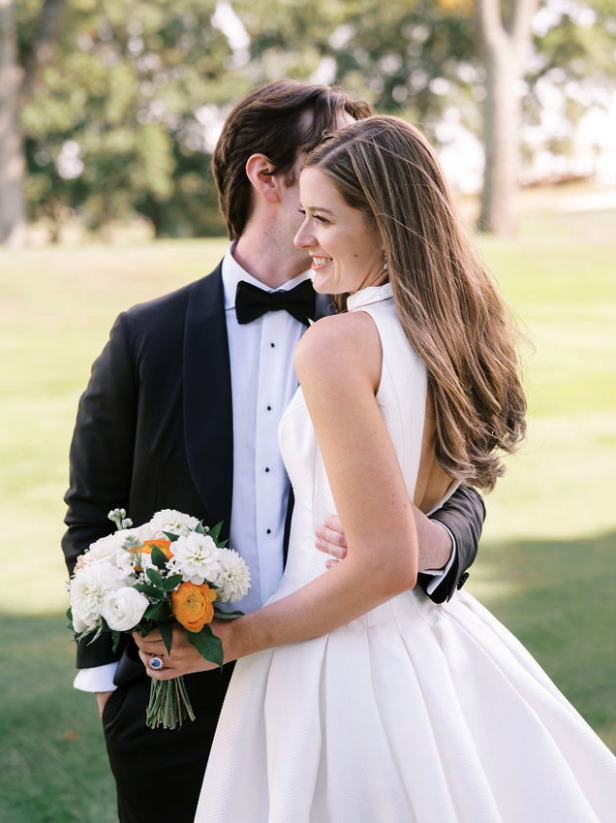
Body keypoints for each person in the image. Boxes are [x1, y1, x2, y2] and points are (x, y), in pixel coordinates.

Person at [137, 115, 616, 822]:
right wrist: (424, 537)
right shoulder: (447, 331)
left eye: (323, 220)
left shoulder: (336, 345)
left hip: (335, 656)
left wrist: (231, 639)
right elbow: (419, 522)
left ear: (386, 225)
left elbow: (385, 561)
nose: (303, 238)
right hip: (430, 635)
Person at [62, 83, 485, 823]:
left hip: (331, 672)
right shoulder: (147, 334)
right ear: (267, 176)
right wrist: (109, 686)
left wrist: (436, 541)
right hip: (175, 694)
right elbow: (92, 511)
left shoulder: (373, 325)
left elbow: (459, 478)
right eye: (329, 153)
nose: (354, 164)